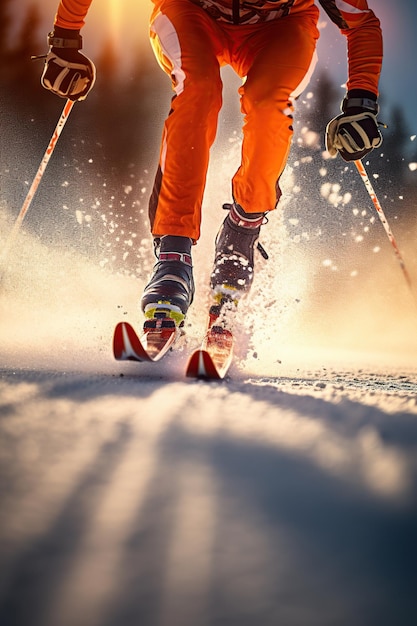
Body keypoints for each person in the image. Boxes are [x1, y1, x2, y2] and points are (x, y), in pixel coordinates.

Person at [41, 0, 383, 326]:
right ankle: (173, 255)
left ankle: (241, 234)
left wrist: (361, 103)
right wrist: (65, 41)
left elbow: (361, 21)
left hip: (281, 24)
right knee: (199, 88)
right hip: (191, 12)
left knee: (269, 104)